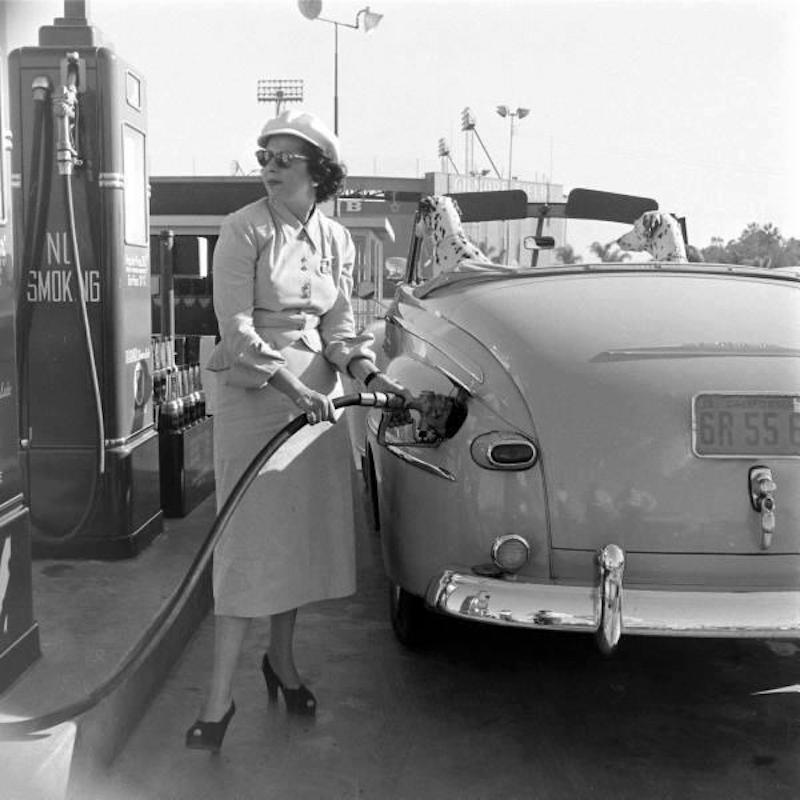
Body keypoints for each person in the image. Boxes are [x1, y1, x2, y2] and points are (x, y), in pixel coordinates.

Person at [185, 109, 407, 752]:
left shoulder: (336, 239)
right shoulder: (242, 229)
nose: (269, 168)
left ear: (320, 172)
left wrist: (365, 372)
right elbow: (238, 330)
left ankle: (281, 662)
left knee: (293, 546)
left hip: (318, 406)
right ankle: (218, 700)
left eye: (284, 158)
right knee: (246, 550)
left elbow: (341, 328)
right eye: (264, 156)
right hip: (261, 397)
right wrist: (295, 388)